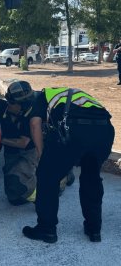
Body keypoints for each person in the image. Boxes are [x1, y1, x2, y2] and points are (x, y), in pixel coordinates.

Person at [21, 82, 114, 243]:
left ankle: (46, 229)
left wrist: (42, 155)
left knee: (47, 177)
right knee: (91, 177)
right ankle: (94, 229)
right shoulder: (74, 95)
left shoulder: (42, 96)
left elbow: (35, 124)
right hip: (104, 132)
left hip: (75, 130)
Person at [0, 82, 74, 206]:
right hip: (12, 153)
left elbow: (23, 143)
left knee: (18, 184)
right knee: (14, 198)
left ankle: (61, 179)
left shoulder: (31, 114)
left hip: (29, 152)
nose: (29, 104)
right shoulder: (1, 107)